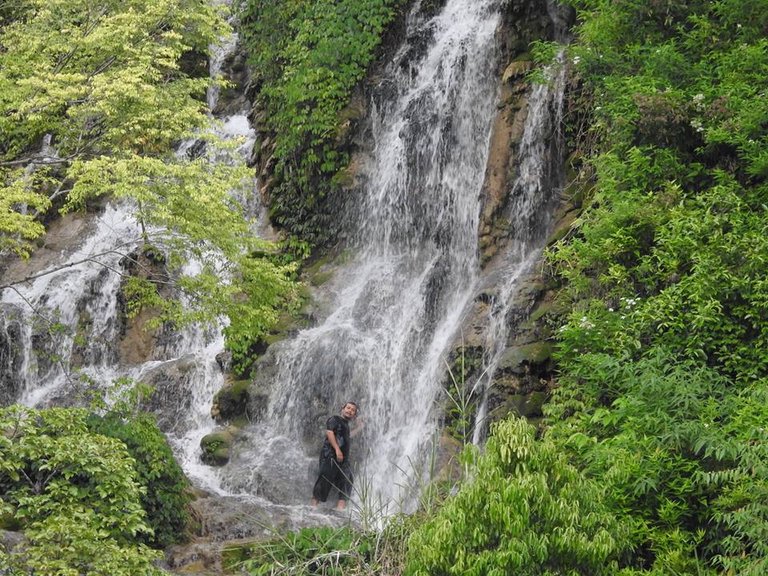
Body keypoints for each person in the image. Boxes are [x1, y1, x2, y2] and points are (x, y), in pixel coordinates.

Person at [310, 401, 360, 511]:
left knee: (347, 480)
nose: (350, 411)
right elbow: (329, 433)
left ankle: (340, 509)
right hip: (330, 455)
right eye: (348, 408)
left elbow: (348, 436)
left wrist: (359, 427)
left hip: (343, 460)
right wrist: (337, 449)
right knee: (325, 478)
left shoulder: (345, 425)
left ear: (354, 415)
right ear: (342, 409)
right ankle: (313, 507)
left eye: (353, 410)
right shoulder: (334, 419)